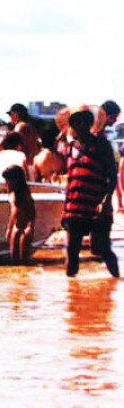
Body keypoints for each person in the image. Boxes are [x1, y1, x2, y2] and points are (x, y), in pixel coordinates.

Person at [62, 108, 119, 278]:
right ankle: (71, 294)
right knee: (72, 251)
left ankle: (117, 281)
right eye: (77, 121)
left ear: (90, 123)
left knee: (102, 249)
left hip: (97, 205)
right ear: (72, 124)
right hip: (74, 206)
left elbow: (112, 176)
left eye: (86, 121)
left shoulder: (101, 145)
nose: (82, 125)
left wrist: (106, 201)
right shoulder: (70, 147)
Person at [90, 100, 121, 258]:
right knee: (102, 235)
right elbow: (109, 169)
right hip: (101, 189)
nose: (116, 121)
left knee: (96, 234)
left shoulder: (91, 136)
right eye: (115, 117)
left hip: (94, 189)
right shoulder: (100, 140)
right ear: (108, 116)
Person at [2, 165, 35, 264]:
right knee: (14, 260)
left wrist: (30, 226)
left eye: (8, 181)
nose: (6, 183)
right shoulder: (12, 195)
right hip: (16, 227)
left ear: (16, 180)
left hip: (25, 229)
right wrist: (9, 228)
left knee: (24, 260)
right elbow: (13, 212)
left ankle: (25, 278)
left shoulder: (25, 195)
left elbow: (32, 211)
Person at [4, 103, 41, 169]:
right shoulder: (30, 127)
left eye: (10, 114)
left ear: (16, 115)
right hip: (31, 162)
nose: (10, 117)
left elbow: (13, 141)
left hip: (23, 163)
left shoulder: (20, 126)